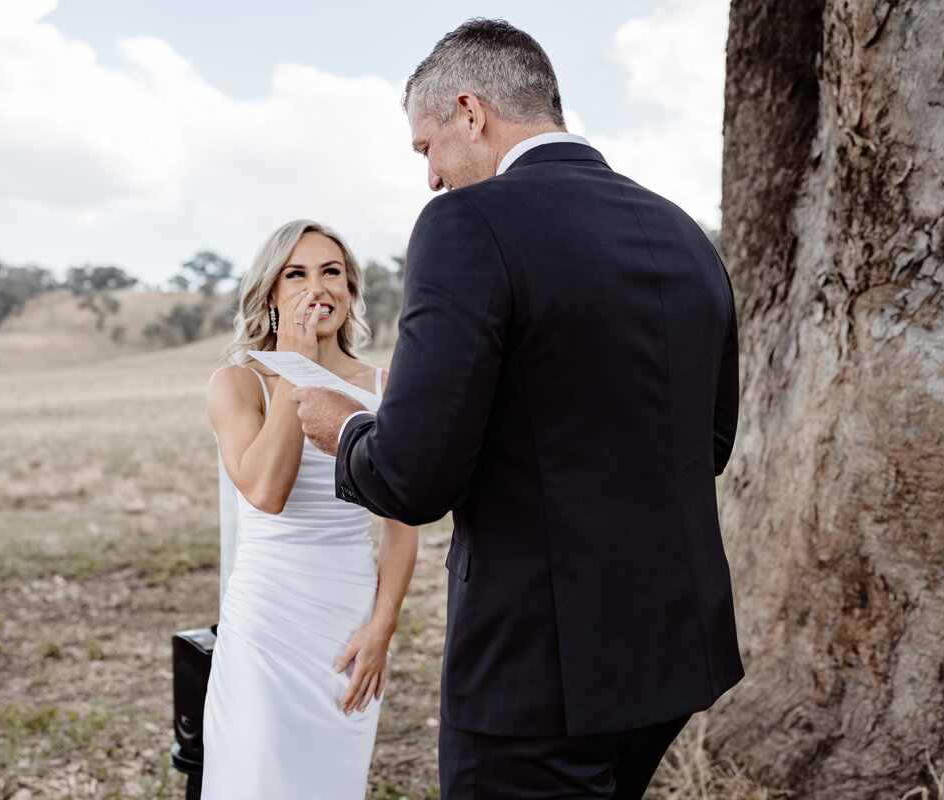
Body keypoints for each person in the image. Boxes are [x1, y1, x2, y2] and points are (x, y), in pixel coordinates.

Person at [293, 18, 742, 800]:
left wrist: (348, 428)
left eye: (425, 148)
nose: (430, 178)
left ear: (471, 113)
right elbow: (708, 439)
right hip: (673, 653)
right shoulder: (682, 233)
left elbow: (413, 479)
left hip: (536, 674)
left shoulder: (466, 225)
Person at [201, 219, 418, 800]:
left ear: (350, 290)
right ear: (271, 292)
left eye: (332, 272)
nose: (316, 287)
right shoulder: (239, 384)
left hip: (346, 621)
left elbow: (403, 523)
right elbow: (267, 492)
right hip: (266, 623)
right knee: (255, 776)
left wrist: (382, 627)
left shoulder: (387, 384)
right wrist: (297, 369)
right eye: (296, 274)